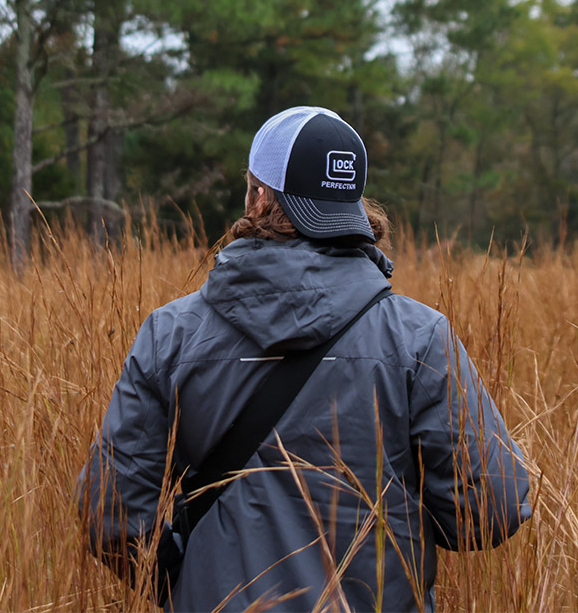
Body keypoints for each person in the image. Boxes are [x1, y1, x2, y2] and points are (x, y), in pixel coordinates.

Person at [78, 105, 531, 612]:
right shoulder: (420, 340)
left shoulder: (171, 335)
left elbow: (110, 513)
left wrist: (181, 584)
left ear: (260, 195)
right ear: (352, 209)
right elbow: (492, 510)